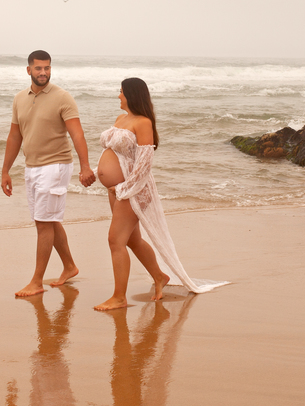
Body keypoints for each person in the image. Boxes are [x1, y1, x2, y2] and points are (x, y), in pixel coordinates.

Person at [93, 77, 228, 311]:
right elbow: (119, 156)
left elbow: (144, 166)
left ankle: (119, 297)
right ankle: (159, 277)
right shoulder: (121, 119)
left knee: (115, 240)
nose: (118, 96)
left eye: (121, 92)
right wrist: (96, 173)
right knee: (131, 240)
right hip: (118, 190)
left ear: (132, 95)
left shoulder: (143, 122)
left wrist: (124, 189)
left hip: (134, 190)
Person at [2, 50, 96, 298]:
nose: (43, 72)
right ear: (28, 70)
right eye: (38, 68)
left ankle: (36, 281)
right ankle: (69, 266)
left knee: (43, 224)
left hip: (55, 166)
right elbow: (15, 136)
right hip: (32, 167)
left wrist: (85, 166)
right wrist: (5, 170)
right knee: (48, 221)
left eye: (47, 68)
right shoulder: (19, 99)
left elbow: (77, 134)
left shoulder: (62, 97)